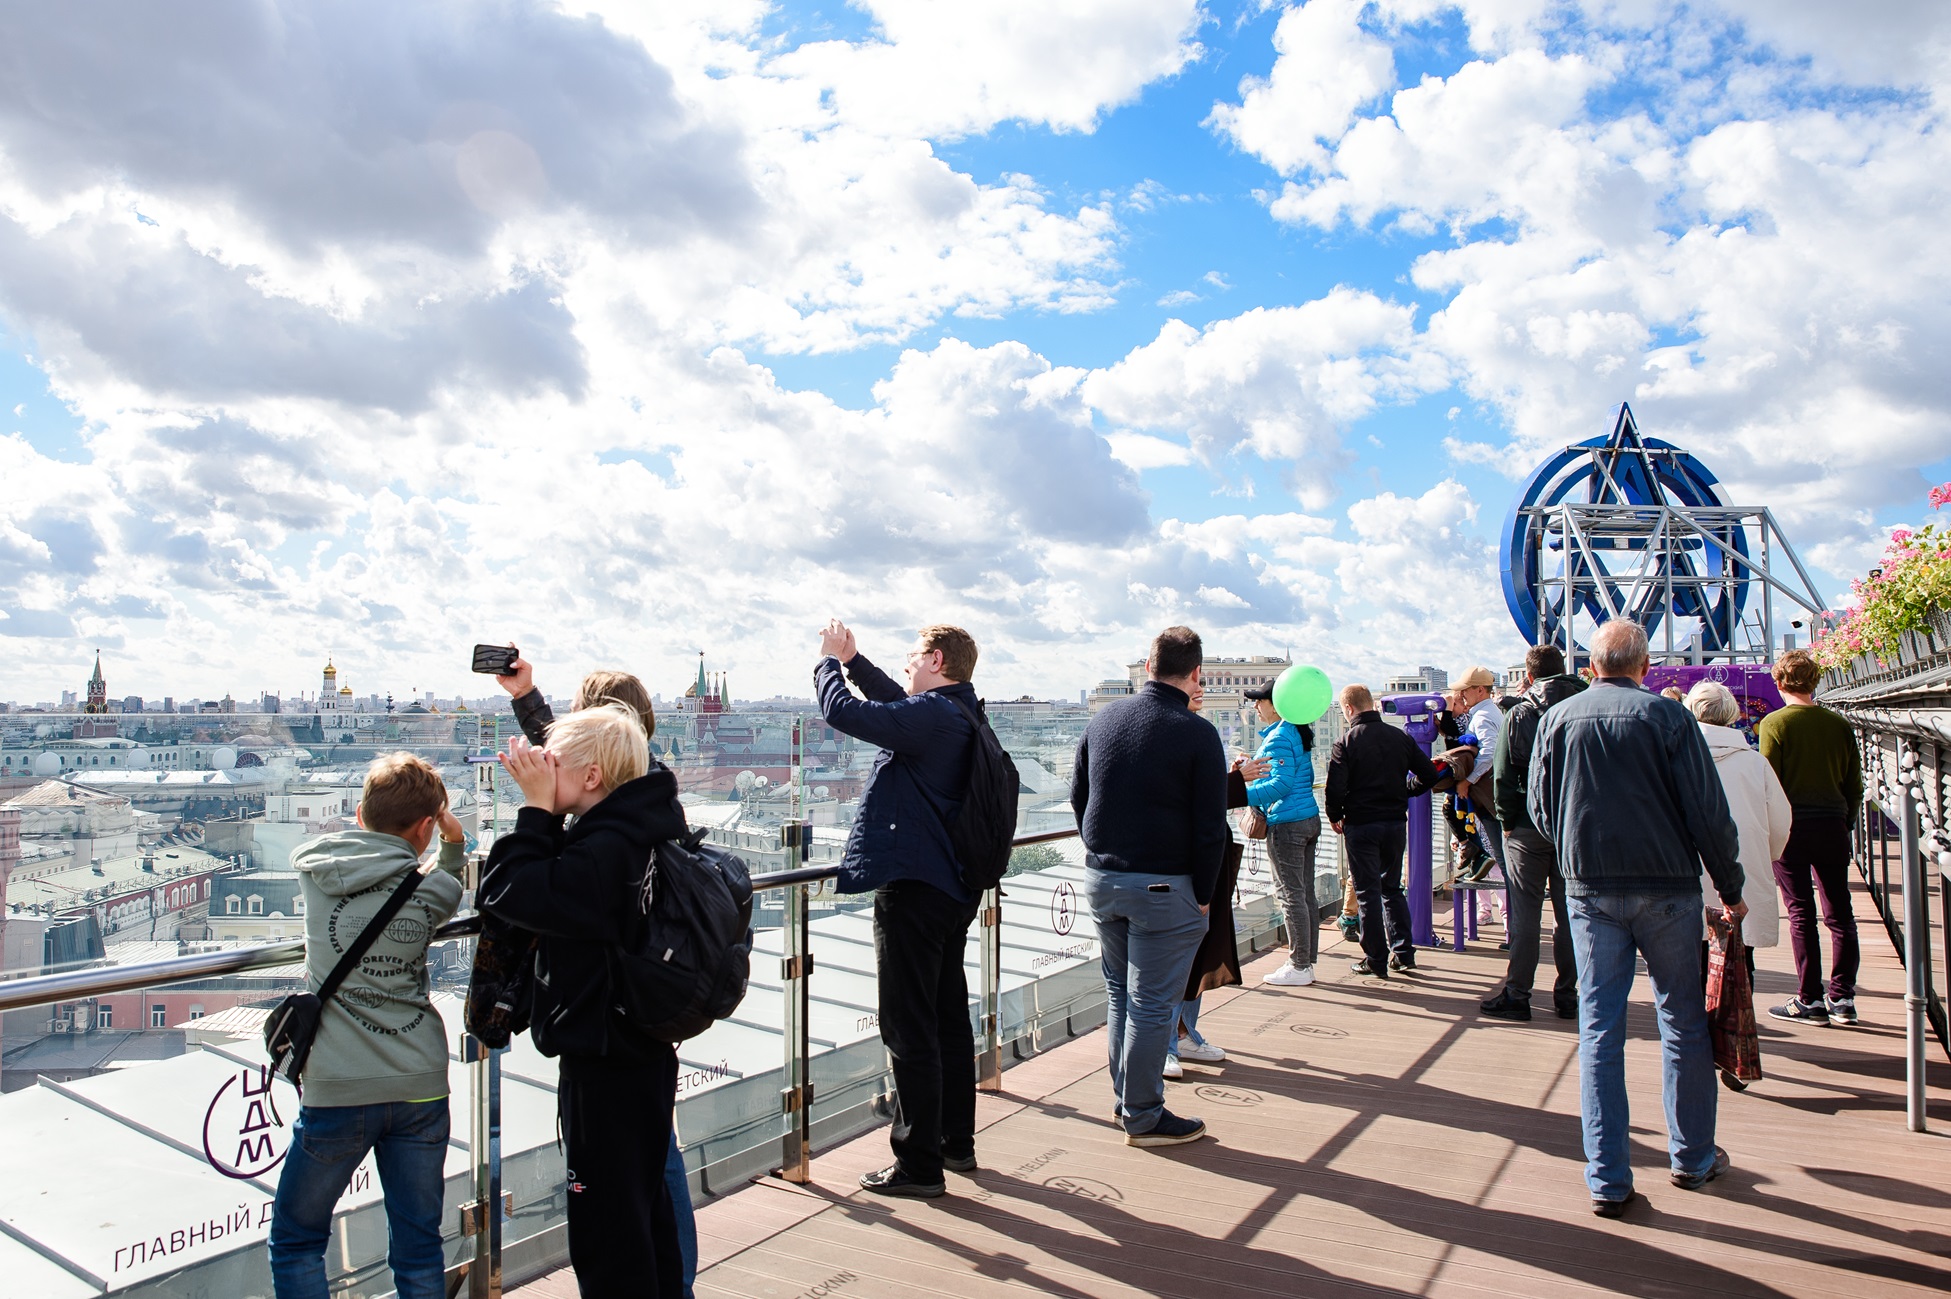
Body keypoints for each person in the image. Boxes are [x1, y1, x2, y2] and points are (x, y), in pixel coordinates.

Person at [495, 654, 699, 1295]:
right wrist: (531, 707)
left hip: (605, 1059)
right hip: (640, 1049)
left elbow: (510, 889)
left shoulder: (606, 849)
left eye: (552, 762)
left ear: (590, 776)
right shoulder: (636, 824)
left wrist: (536, 812)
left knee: (610, 1234)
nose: (541, 768)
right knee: (646, 1215)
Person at [1529, 619, 1744, 1217]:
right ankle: (1693, 1157)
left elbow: (1541, 809)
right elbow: (1707, 810)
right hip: (1668, 888)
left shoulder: (1557, 719)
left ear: (1591, 667)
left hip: (1590, 889)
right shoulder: (1669, 718)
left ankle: (1607, 1177)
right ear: (1645, 667)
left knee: (1600, 1031)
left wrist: (1577, 851)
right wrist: (1730, 886)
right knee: (1683, 1022)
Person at [270, 754, 468, 1299]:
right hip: (419, 1082)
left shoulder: (316, 871)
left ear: (360, 815)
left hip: (338, 1085)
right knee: (418, 1245)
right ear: (425, 827)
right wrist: (451, 839)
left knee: (297, 1239)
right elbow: (451, 874)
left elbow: (321, 851)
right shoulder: (432, 891)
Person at [815, 619, 982, 1197]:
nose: (906, 664)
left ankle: (918, 1164)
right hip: (950, 888)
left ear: (935, 660)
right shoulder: (960, 711)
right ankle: (955, 1142)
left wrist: (828, 662)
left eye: (913, 655)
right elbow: (893, 701)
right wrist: (856, 661)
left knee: (909, 1026)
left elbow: (845, 713)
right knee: (947, 1018)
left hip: (913, 887)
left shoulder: (933, 715)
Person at [1072, 625, 1225, 1147]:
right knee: (1152, 1004)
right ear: (1197, 673)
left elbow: (1079, 796)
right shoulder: (1197, 733)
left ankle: (1127, 1103)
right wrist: (1203, 894)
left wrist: (1102, 853)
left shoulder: (1104, 719)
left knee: (1121, 995)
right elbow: (1210, 827)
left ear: (1148, 666)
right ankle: (1143, 1115)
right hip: (1165, 887)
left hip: (1104, 879)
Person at [1684, 680, 1792, 1077]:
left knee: (1692, 959)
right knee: (1740, 958)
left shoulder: (1678, 759)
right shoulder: (1755, 762)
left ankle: (1695, 1043)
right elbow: (1780, 823)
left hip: (1688, 876)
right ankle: (1734, 1040)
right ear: (1731, 715)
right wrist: (1767, 856)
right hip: (1741, 873)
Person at [1479, 645, 1586, 1022]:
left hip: (1527, 825)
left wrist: (1508, 821)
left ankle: (1518, 994)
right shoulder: (1585, 705)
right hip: (1573, 823)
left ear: (1529, 676)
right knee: (1569, 912)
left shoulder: (1520, 712)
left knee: (1526, 913)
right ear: (1564, 669)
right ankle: (1568, 994)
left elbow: (1503, 774)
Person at [1165, 676, 1265, 1077]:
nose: (1201, 689)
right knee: (1178, 955)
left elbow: (1202, 795)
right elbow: (1185, 799)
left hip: (1209, 859)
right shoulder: (1170, 732)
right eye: (1194, 682)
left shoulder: (1199, 732)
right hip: (1184, 864)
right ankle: (1167, 1043)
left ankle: (1184, 1034)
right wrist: (1237, 781)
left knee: (1201, 949)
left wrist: (1234, 778)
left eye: (1202, 682)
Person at [1759, 649, 1864, 1026]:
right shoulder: (1839, 725)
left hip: (1792, 829)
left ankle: (1810, 1000)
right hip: (1832, 824)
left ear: (1779, 682)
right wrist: (1844, 822)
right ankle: (1843, 997)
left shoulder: (1774, 723)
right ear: (1814, 681)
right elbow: (1854, 785)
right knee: (1840, 912)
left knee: (1801, 912)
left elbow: (1769, 784)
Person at [1324, 683, 1441, 978]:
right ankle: (1403, 953)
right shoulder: (1399, 737)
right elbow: (1429, 774)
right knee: (1392, 889)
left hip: (1361, 824)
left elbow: (1334, 788)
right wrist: (1405, 790)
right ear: (1372, 705)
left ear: (1349, 708)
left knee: (1367, 893)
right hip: (1394, 823)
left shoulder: (1345, 742)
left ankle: (1375, 958)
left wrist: (1335, 815)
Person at [1243, 682, 1324, 987]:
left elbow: (1281, 785)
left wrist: (1239, 793)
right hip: (1308, 818)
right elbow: (1300, 777)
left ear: (1277, 705)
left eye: (1259, 701)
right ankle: (1306, 961)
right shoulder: (1296, 732)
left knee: (1290, 896)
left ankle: (1299, 966)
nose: (1255, 706)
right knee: (1305, 894)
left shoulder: (1278, 737)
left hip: (1287, 824)